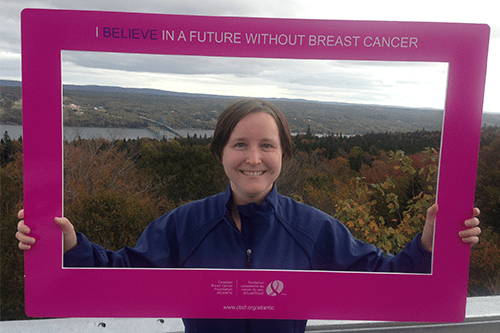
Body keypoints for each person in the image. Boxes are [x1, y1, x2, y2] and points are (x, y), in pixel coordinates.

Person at [16, 98, 481, 332]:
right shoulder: (183, 225)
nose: (253, 158)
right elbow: (124, 274)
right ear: (219, 152)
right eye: (240, 144)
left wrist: (428, 246)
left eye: (267, 145)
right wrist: (70, 248)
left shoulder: (313, 228)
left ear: (284, 155)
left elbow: (385, 279)